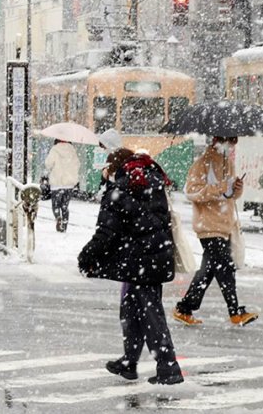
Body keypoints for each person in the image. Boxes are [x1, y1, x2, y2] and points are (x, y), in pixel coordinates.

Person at [78, 149, 184, 385]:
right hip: (152, 256)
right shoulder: (149, 180)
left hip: (141, 261)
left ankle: (168, 367)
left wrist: (85, 257)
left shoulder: (120, 190)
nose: (104, 173)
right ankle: (129, 361)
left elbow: (106, 232)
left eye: (105, 168)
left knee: (150, 313)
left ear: (113, 168)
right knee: (132, 310)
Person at [172, 136, 258, 327]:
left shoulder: (228, 163)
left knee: (208, 270)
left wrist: (237, 188)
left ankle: (185, 308)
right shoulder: (202, 163)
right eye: (230, 140)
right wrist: (219, 188)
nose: (232, 144)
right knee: (225, 268)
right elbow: (192, 192)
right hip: (208, 225)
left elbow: (231, 196)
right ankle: (235, 312)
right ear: (218, 140)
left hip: (225, 224)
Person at [44, 139, 80, 232]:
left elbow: (48, 164)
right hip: (69, 184)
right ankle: (64, 225)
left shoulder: (55, 149)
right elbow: (78, 164)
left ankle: (58, 217)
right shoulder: (72, 150)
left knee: (55, 205)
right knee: (65, 206)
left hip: (57, 183)